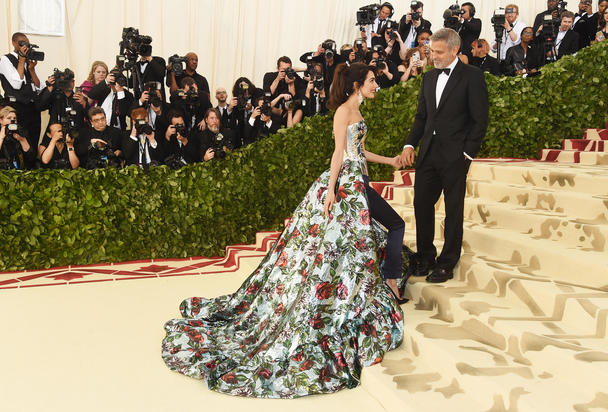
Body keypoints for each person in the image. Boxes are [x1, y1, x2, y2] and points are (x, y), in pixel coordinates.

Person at [161, 62, 405, 398]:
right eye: (373, 80)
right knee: (378, 232)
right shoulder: (343, 113)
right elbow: (338, 153)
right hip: (348, 185)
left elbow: (357, 152)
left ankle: (386, 280)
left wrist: (390, 162)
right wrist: (331, 190)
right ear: (356, 85)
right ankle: (389, 282)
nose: (377, 84)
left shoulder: (357, 110)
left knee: (374, 234)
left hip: (358, 181)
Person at [400, 28, 489, 283]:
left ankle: (447, 262)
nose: (434, 56)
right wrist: (409, 144)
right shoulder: (428, 78)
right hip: (428, 153)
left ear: (453, 50)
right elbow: (422, 117)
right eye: (432, 52)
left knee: (453, 209)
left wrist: (467, 153)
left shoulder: (472, 76)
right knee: (421, 205)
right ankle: (426, 256)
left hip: (455, 155)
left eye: (439, 52)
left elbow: (479, 119)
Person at [0, 32, 44, 150]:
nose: (25, 47)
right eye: (22, 43)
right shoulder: (5, 59)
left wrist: (31, 69)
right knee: (18, 139)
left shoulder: (27, 62)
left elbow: (39, 87)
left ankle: (32, 163)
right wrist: (21, 60)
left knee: (34, 138)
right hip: (17, 107)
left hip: (33, 107)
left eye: (27, 44)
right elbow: (16, 84)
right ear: (14, 43)